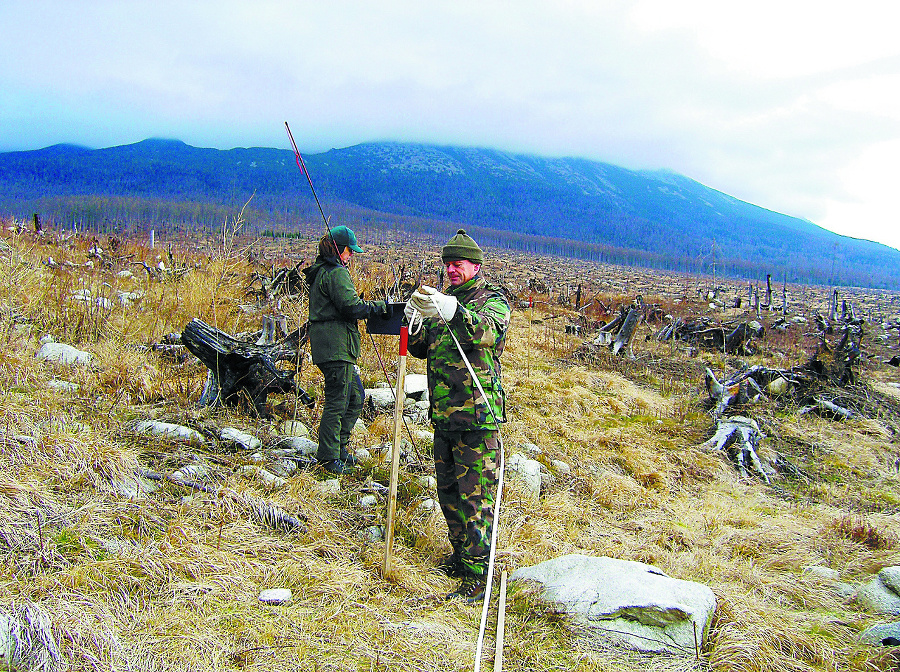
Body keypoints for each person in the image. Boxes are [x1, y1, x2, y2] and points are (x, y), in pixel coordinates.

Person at [405, 229, 511, 602]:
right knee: (448, 492)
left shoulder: (492, 301)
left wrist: (452, 311)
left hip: (478, 419)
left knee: (476, 499)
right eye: (447, 264)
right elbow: (420, 348)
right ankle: (461, 557)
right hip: (444, 417)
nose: (451, 269)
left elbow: (487, 333)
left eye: (458, 264)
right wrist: (413, 321)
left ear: (476, 266)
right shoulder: (440, 302)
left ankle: (480, 577)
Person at [303, 225, 388, 475]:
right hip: (335, 347)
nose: (351, 256)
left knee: (355, 396)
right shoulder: (336, 273)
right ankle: (328, 459)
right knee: (337, 401)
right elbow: (351, 307)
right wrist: (379, 308)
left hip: (333, 346)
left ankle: (338, 449)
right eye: (350, 251)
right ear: (340, 250)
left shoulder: (322, 271)